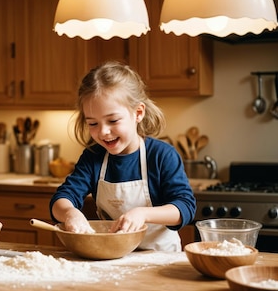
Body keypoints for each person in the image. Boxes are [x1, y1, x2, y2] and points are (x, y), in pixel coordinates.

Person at [50, 61, 196, 252]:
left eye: (113, 120)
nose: (103, 132)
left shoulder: (161, 156)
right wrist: (70, 213)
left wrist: (143, 214)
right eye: (93, 123)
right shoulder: (93, 157)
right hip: (112, 258)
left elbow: (184, 207)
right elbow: (62, 198)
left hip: (160, 259)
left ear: (138, 113)